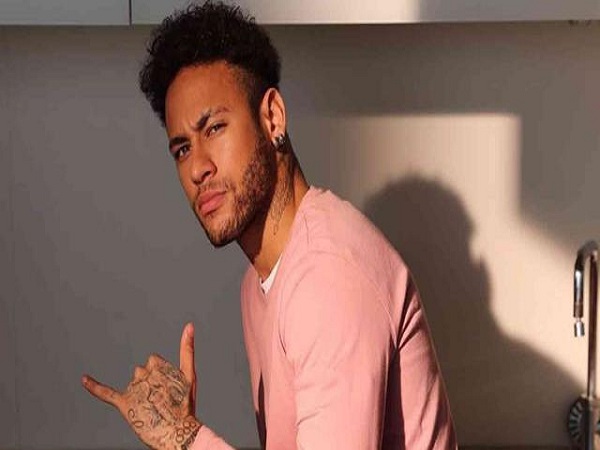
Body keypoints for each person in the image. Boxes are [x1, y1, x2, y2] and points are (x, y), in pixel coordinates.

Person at [82, 2, 457, 449]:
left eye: (214, 128)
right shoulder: (259, 282)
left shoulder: (328, 277)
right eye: (182, 149)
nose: (198, 167)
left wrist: (186, 438)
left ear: (272, 117)